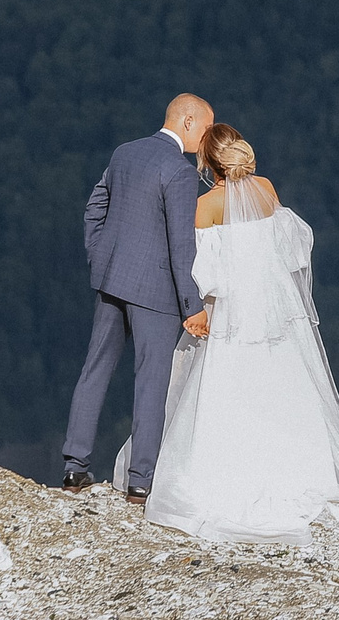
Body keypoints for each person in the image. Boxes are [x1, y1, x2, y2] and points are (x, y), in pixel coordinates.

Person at [113, 122, 339, 542]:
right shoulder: (266, 189)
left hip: (231, 312)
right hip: (273, 309)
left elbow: (201, 270)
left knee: (219, 389)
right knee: (282, 386)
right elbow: (289, 246)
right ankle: (299, 470)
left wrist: (195, 307)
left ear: (207, 163)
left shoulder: (206, 206)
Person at [62, 93, 214, 501]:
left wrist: (101, 257)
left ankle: (74, 468)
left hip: (112, 283)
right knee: (151, 383)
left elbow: (94, 207)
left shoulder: (125, 152)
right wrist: (192, 305)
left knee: (95, 370)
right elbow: (182, 246)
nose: (206, 136)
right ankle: (140, 481)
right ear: (186, 121)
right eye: (204, 127)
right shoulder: (180, 172)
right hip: (156, 292)